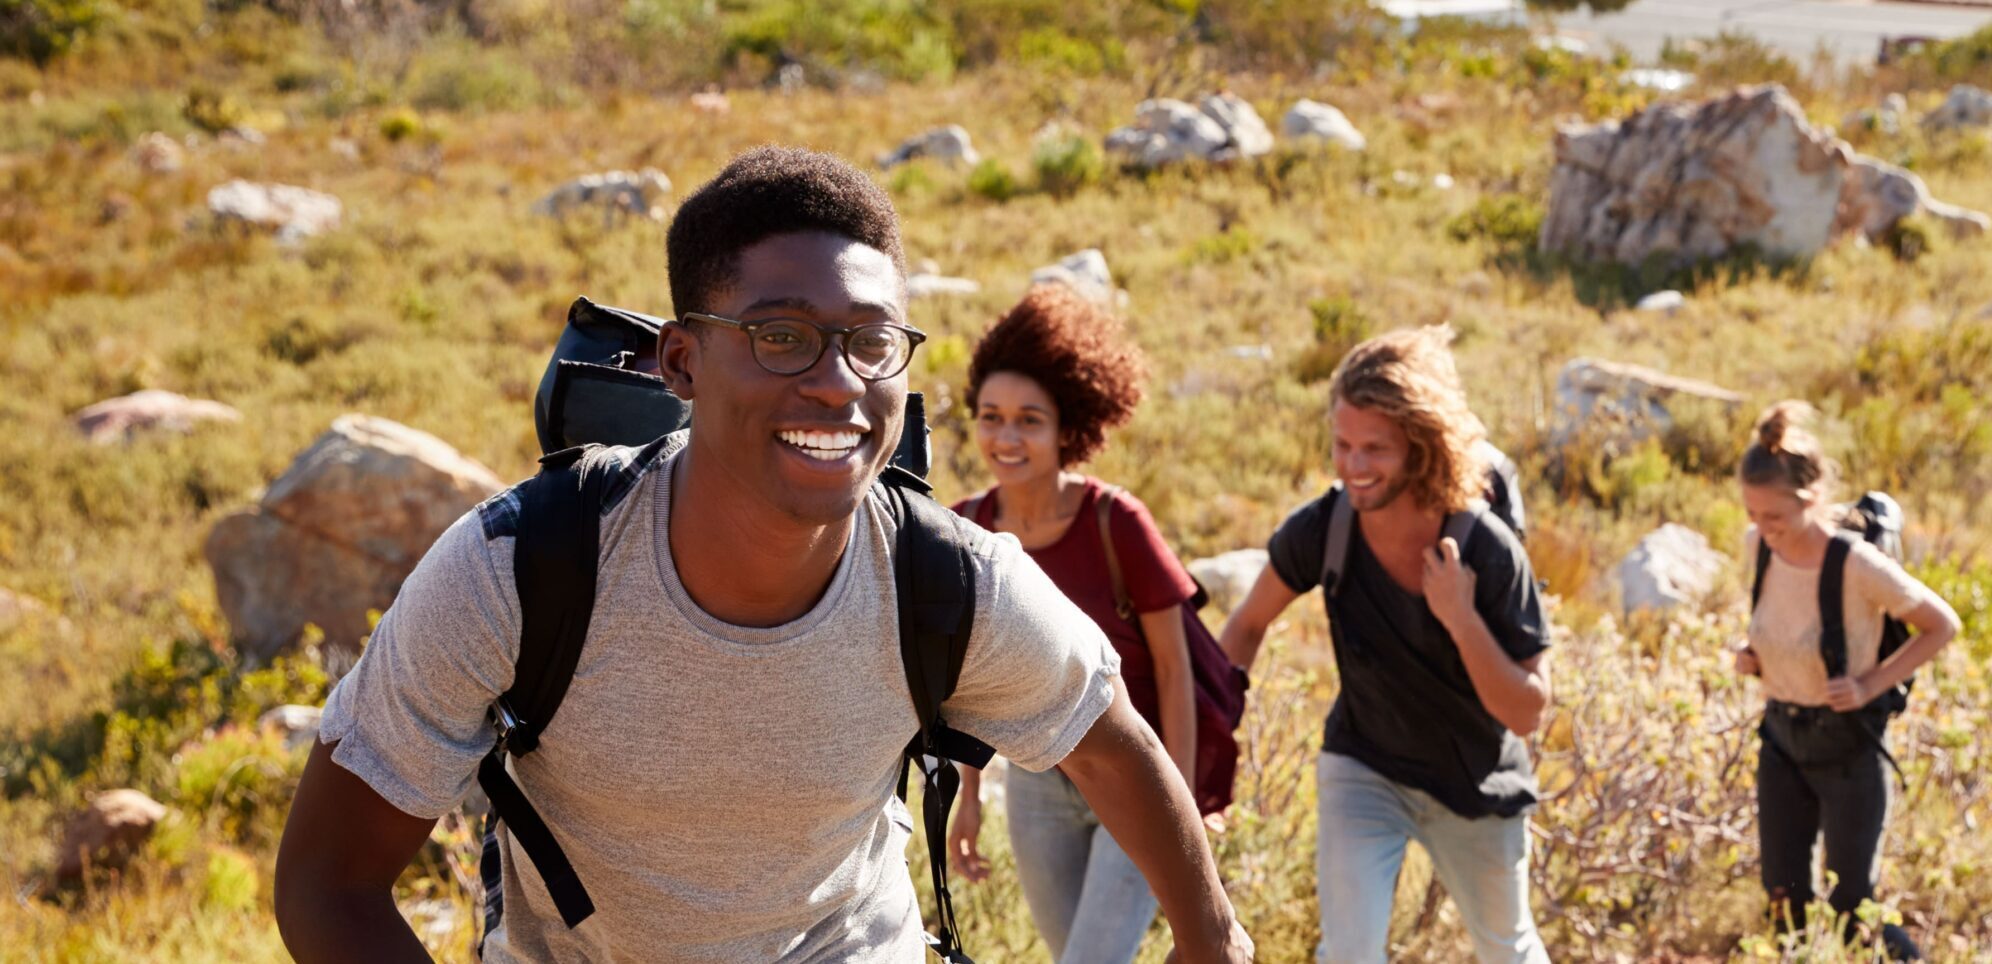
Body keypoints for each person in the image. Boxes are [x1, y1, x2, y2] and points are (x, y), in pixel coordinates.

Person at [272, 146, 1253, 964]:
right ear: (683, 363)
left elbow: (1108, 740)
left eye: (871, 341)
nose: (837, 384)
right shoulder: (520, 568)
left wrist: (1211, 939)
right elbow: (328, 881)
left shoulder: (946, 579)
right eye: (781, 335)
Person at [1218, 325, 1552, 964]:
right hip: (1365, 767)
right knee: (1348, 953)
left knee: (1507, 948)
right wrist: (1212, 736)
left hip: (1476, 783)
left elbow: (1528, 710)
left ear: (1422, 448)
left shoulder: (1485, 549)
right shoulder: (1328, 526)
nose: (1354, 466)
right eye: (1343, 445)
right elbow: (1247, 626)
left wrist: (1461, 618)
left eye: (1376, 449)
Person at [944, 284, 1204, 964]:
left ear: (1069, 428)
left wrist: (1181, 805)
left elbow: (1176, 673)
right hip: (1038, 780)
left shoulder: (1117, 523)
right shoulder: (965, 527)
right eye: (991, 416)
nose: (1006, 437)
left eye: (1029, 420)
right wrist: (967, 797)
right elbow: (965, 683)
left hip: (1134, 775)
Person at [1733, 401, 1958, 960]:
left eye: (1775, 517)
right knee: (1784, 902)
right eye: (1753, 514)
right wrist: (1754, 655)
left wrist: (1871, 684)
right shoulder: (1758, 546)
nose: (1763, 529)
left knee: (1854, 907)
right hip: (1781, 740)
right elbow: (1780, 622)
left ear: (1811, 500)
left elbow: (1941, 625)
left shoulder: (1857, 564)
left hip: (1849, 749)